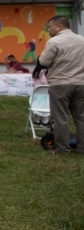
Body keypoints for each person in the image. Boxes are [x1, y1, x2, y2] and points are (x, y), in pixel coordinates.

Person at [36, 15, 84, 154]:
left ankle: (63, 149)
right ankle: (82, 149)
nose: (48, 30)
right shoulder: (82, 40)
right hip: (81, 84)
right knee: (81, 117)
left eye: (50, 27)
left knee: (60, 118)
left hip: (60, 84)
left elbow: (43, 62)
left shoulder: (54, 42)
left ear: (59, 27)